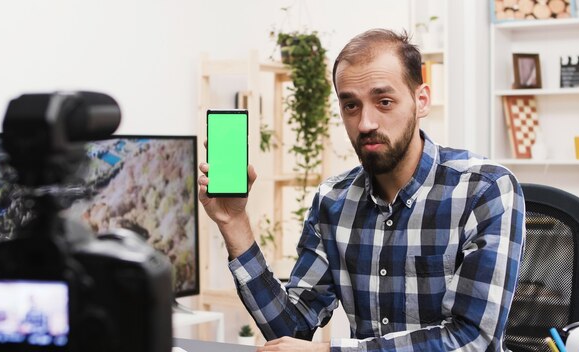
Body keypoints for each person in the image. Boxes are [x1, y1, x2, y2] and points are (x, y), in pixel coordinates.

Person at [198, 28, 525, 351]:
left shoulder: (485, 189)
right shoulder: (333, 201)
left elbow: (472, 339)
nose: (366, 123)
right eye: (351, 105)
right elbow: (293, 328)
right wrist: (234, 224)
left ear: (420, 100)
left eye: (384, 101)